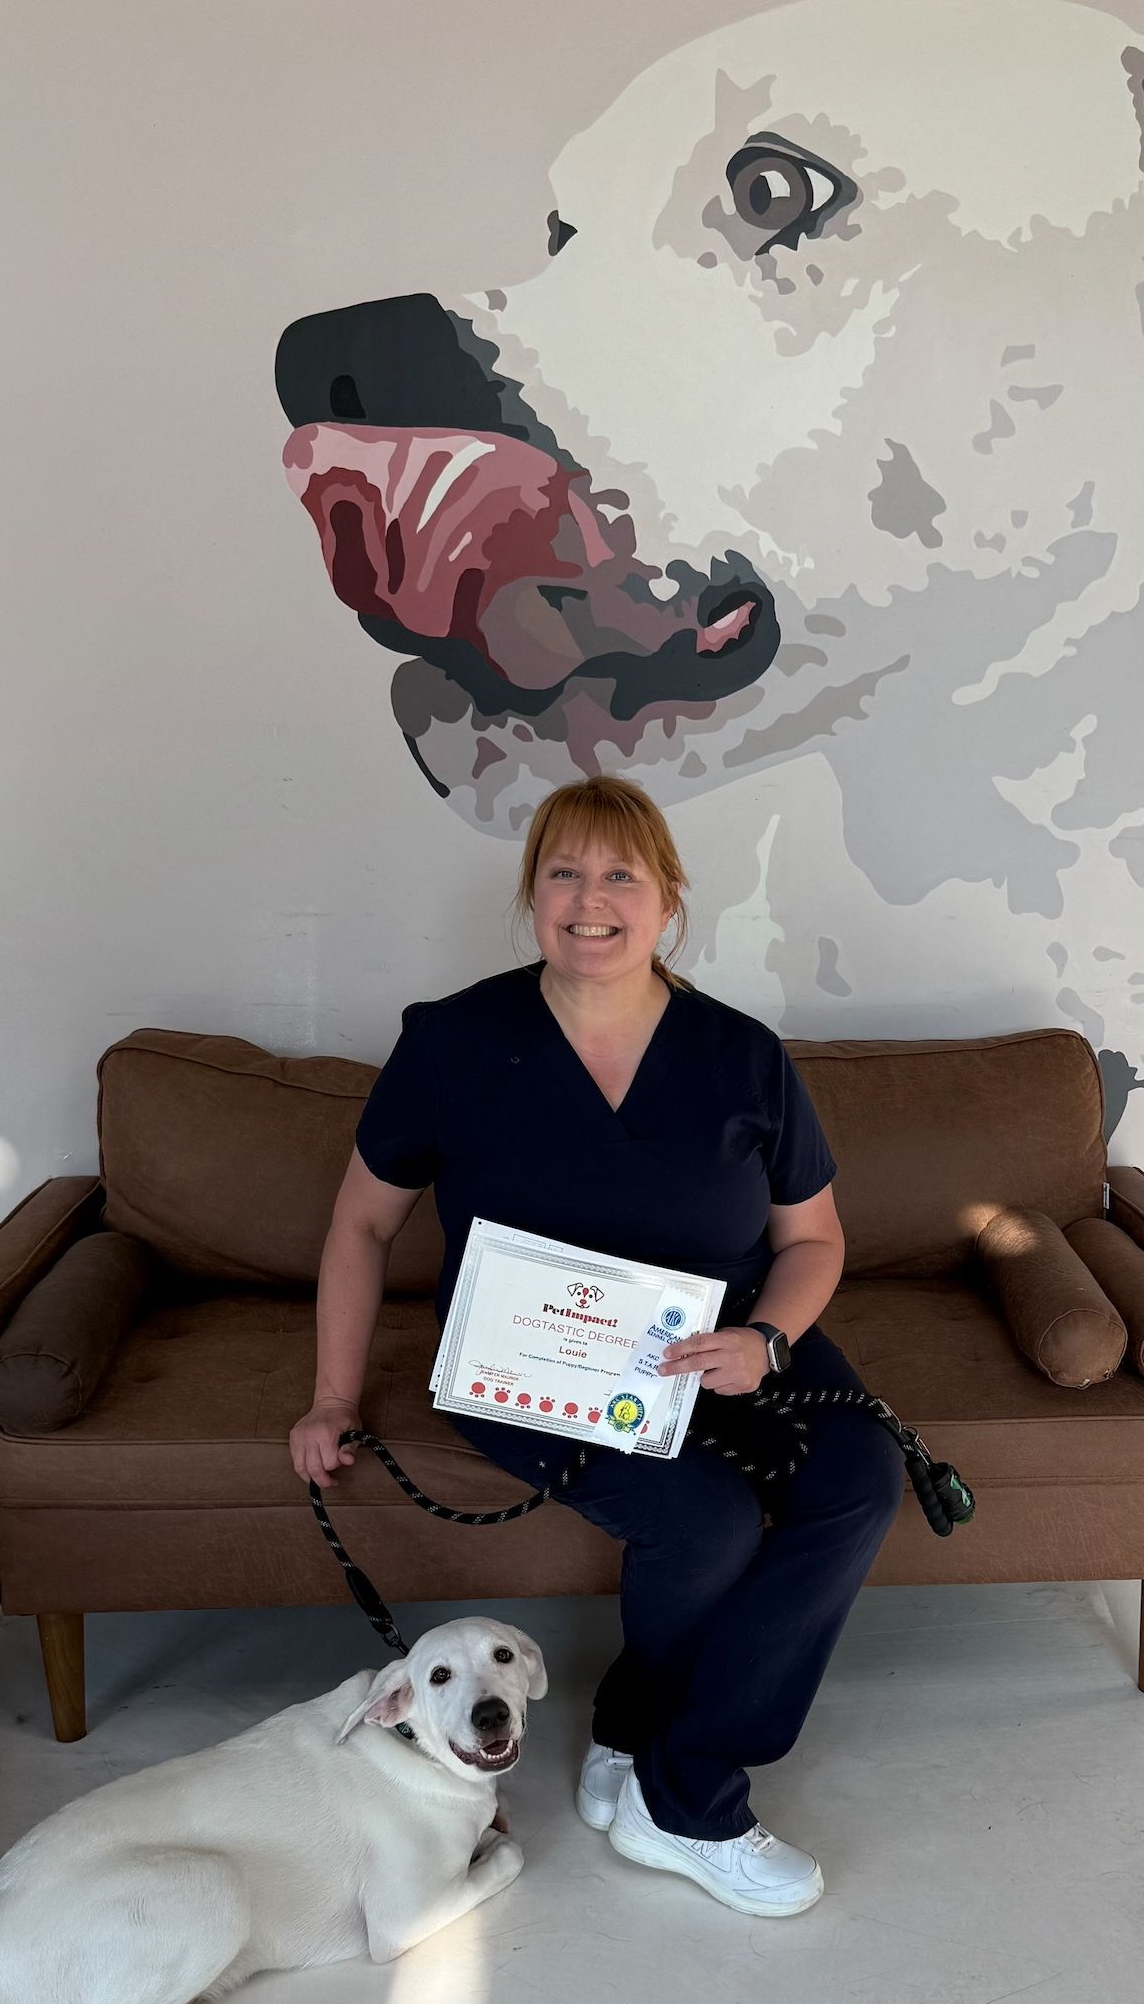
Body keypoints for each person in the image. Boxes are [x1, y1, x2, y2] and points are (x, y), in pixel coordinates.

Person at [289, 776, 902, 1917]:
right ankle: (688, 1794)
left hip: (719, 1336)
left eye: (622, 873)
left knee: (860, 1481)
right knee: (703, 1514)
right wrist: (331, 1397)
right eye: (564, 871)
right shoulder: (456, 1041)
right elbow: (361, 1223)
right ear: (532, 894)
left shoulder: (743, 1055)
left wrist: (765, 1340)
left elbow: (814, 1237)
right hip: (533, 1361)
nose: (591, 899)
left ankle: (656, 1757)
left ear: (669, 897)